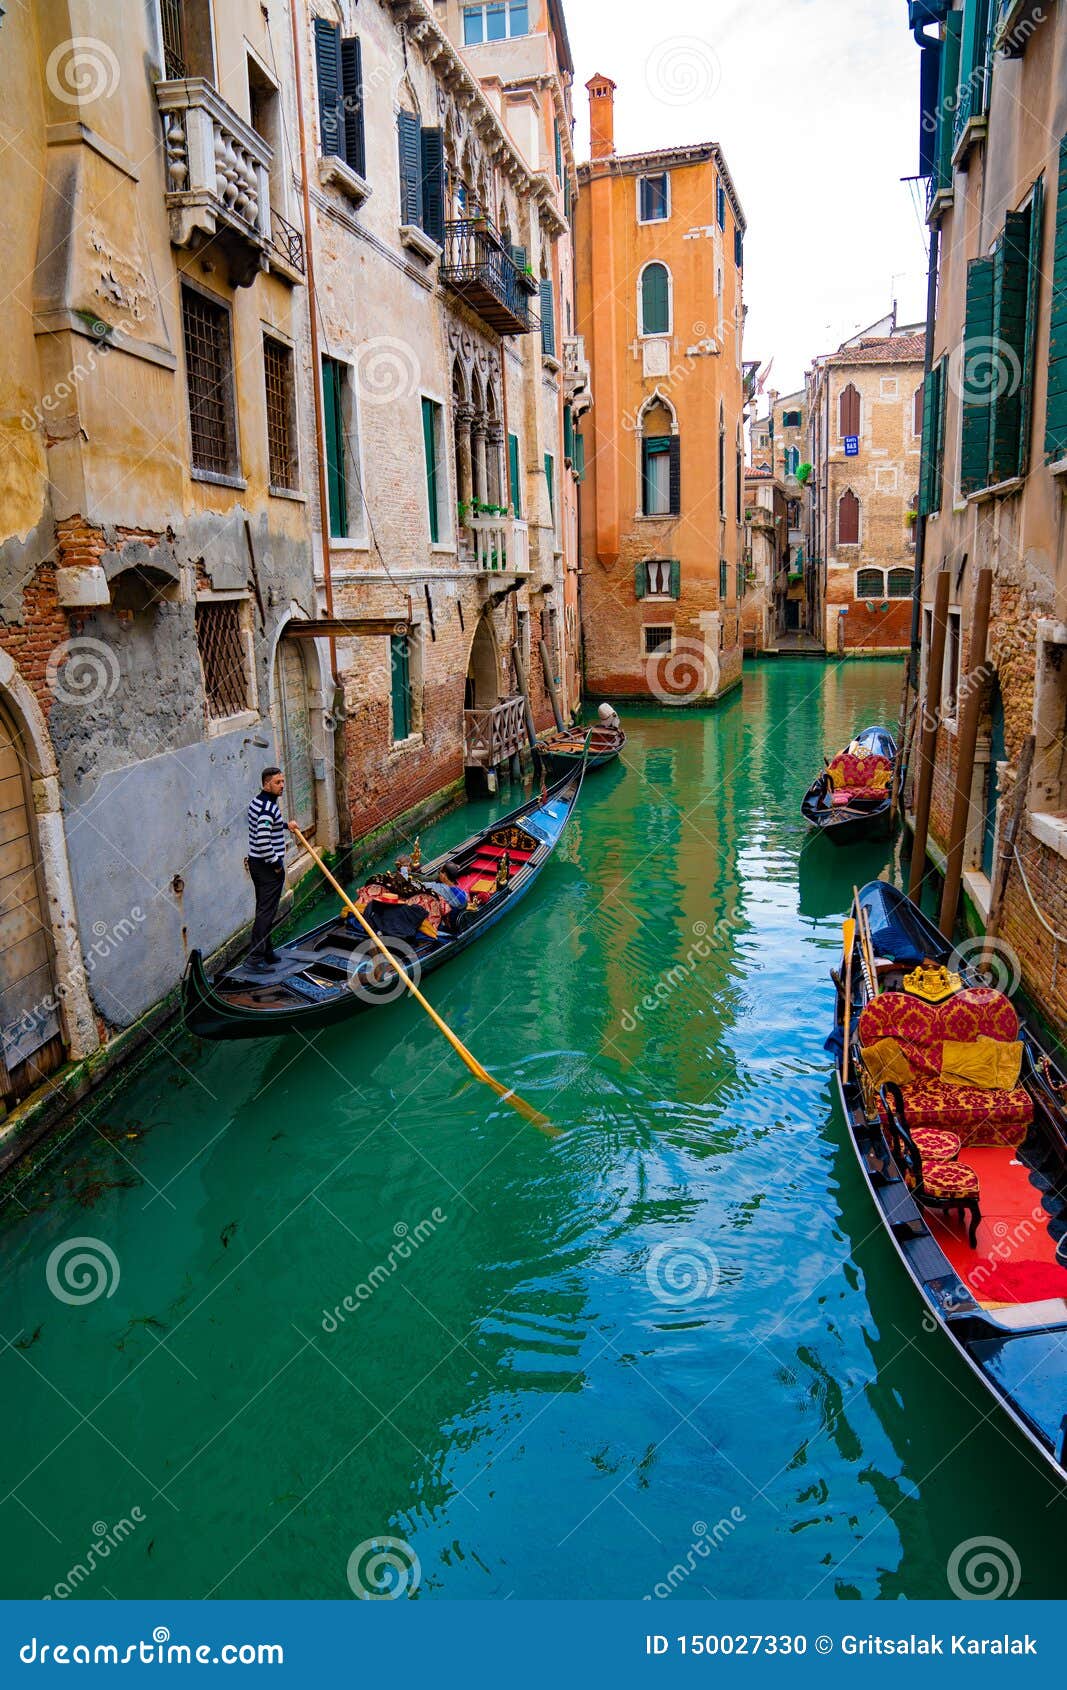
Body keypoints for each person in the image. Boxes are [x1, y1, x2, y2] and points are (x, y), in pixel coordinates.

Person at [245, 767, 298, 969]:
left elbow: (265, 824)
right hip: (268, 867)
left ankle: (267, 951)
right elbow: (263, 840)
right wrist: (277, 864)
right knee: (267, 912)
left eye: (283, 782)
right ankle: (255, 958)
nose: (282, 786)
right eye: (278, 782)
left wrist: (285, 826)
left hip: (256, 864)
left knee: (263, 909)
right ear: (266, 783)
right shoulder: (269, 808)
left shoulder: (257, 802)